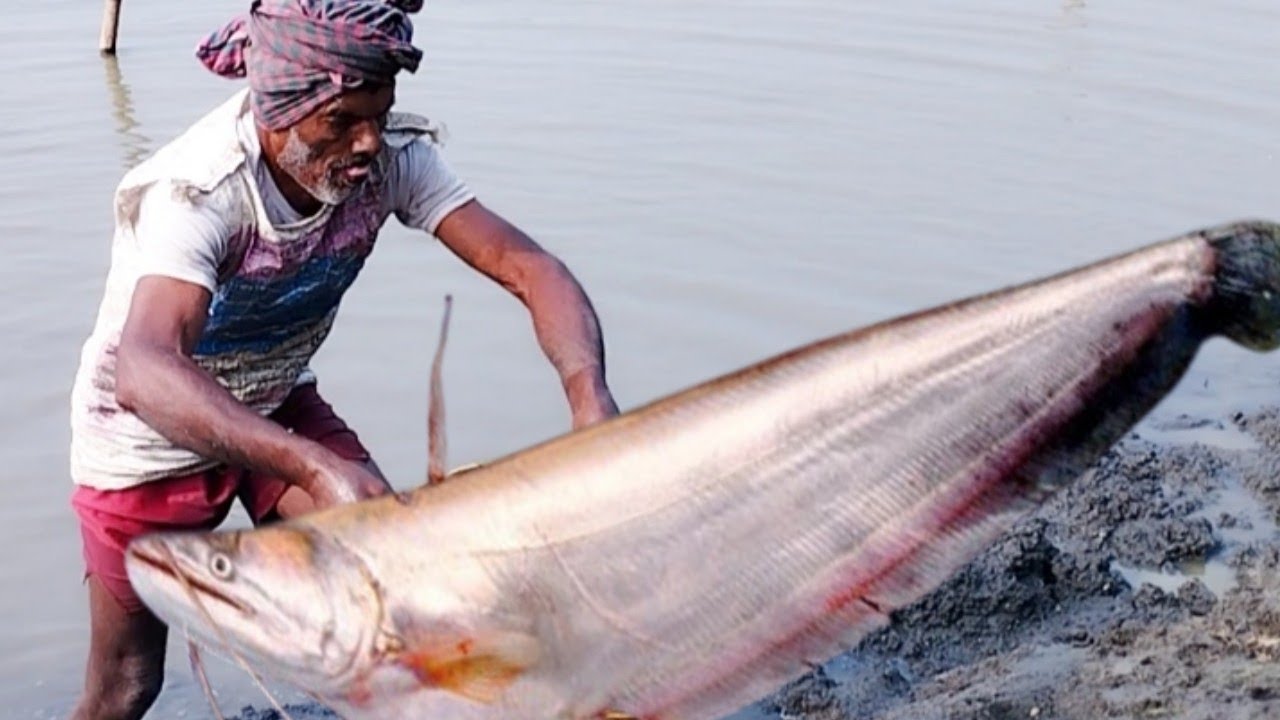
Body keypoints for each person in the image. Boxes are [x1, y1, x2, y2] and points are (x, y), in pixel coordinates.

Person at [67, 1, 619, 718]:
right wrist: (313, 465)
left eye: (379, 115)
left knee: (396, 590)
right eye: (342, 122)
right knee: (127, 686)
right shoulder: (201, 194)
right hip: (145, 440)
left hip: (273, 397)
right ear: (280, 111)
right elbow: (144, 370)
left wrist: (589, 398)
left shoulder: (392, 161)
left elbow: (532, 270)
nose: (367, 143)